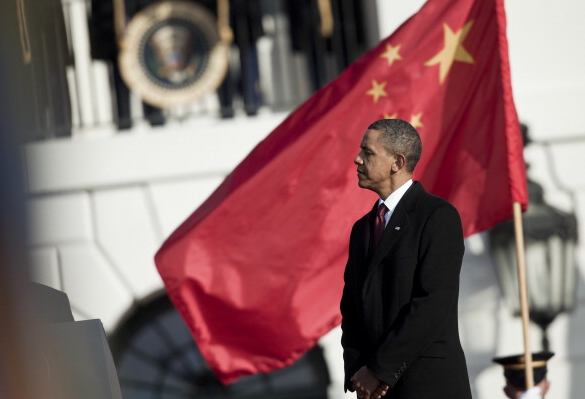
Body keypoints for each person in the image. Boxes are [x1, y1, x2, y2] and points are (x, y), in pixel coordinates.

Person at [340, 119, 472, 399]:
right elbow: (351, 307)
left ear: (397, 162)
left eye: (368, 152)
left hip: (427, 386)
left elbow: (432, 304)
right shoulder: (362, 229)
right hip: (374, 390)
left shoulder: (436, 216)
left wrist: (379, 369)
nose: (357, 158)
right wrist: (358, 369)